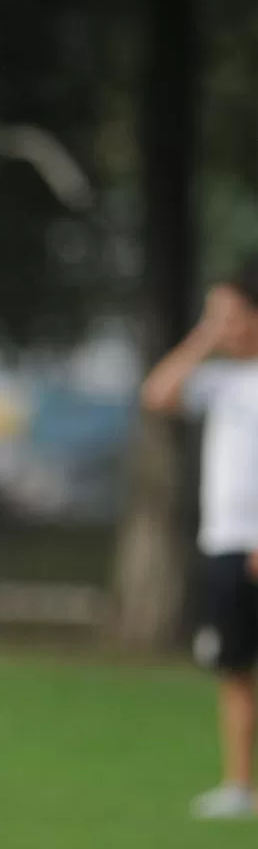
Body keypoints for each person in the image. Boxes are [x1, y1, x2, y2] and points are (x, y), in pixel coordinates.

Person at [141, 260, 258, 819]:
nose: (224, 326)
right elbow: (158, 393)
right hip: (224, 544)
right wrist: (207, 334)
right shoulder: (222, 381)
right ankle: (238, 786)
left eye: (233, 316)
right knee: (234, 667)